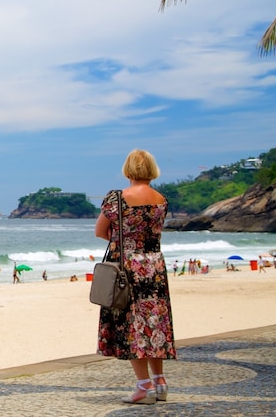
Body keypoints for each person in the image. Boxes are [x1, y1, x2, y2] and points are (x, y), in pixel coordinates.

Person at [95, 149, 176, 405]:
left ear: (128, 169)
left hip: (128, 267)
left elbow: (100, 231)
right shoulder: (161, 199)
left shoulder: (118, 198)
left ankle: (143, 386)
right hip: (155, 265)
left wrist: (125, 242)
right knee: (155, 321)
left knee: (132, 324)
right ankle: (160, 381)